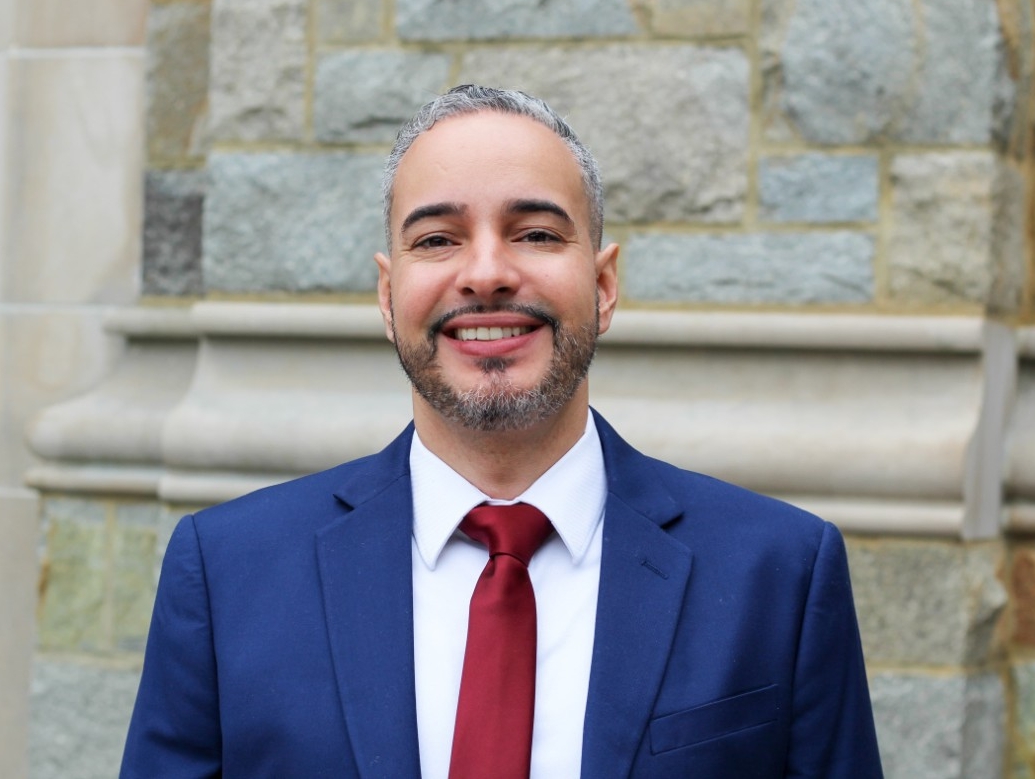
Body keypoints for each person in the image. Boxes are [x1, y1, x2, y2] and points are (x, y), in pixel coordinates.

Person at [120, 84, 883, 778]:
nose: (485, 272)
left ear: (604, 285)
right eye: (437, 239)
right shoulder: (227, 574)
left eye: (536, 234)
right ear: (389, 297)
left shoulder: (778, 574)